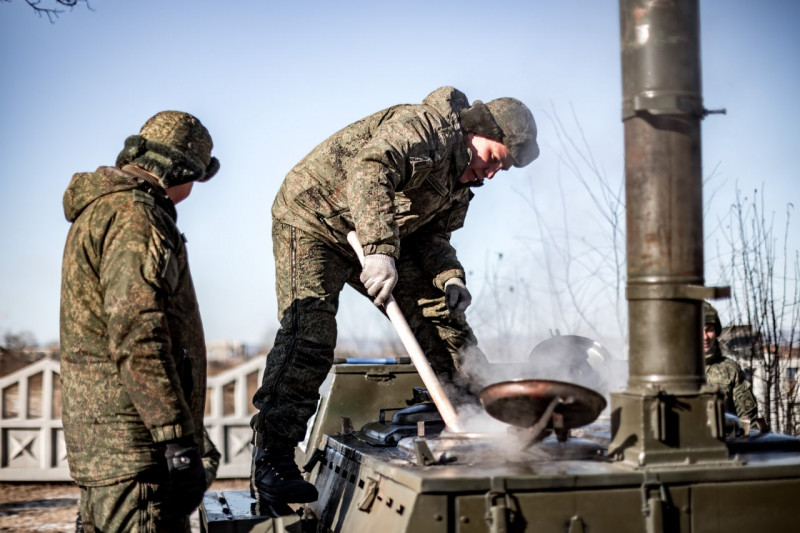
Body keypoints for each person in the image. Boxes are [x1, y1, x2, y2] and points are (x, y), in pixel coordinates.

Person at [250, 86, 539, 503]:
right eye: (495, 159)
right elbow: (370, 170)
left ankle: (469, 417)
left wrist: (450, 278)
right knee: (308, 333)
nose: (491, 174)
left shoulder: (461, 186)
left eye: (503, 170)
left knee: (443, 318)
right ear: (478, 131)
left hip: (378, 239)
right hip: (313, 219)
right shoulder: (425, 128)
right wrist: (381, 251)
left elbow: (433, 237)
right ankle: (273, 459)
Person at [60, 110, 220, 532]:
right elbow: (137, 331)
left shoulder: (103, 210)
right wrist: (177, 442)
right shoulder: (136, 216)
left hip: (113, 448)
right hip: (137, 453)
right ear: (182, 170)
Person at [703, 301, 769, 432]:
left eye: (709, 330)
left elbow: (749, 421)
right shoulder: (670, 371)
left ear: (716, 331)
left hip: (724, 447)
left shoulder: (730, 370)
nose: (705, 337)